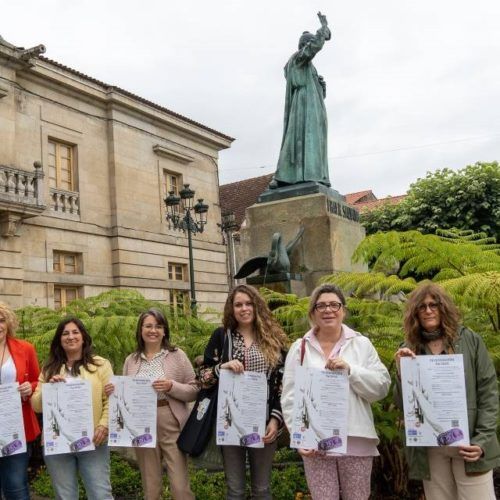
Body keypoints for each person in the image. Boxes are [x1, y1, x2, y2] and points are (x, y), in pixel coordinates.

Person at [281, 284, 390, 500]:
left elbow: (381, 386)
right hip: (315, 440)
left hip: (356, 439)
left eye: (334, 304)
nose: (328, 310)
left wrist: (351, 370)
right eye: (321, 306)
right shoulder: (299, 348)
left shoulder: (362, 344)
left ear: (343, 310)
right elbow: (290, 396)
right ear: (312, 312)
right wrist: (299, 435)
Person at [394, 283, 500, 500]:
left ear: (444, 308)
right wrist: (401, 372)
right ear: (415, 313)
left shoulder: (469, 340)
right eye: (421, 307)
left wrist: (481, 441)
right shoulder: (409, 347)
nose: (428, 310)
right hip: (431, 446)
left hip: (468, 443)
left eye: (434, 304)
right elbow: (403, 405)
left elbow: (489, 393)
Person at [200, 284, 287, 500]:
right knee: (235, 490)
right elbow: (202, 378)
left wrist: (275, 420)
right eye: (238, 304)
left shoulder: (273, 339)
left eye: (249, 303)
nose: (244, 308)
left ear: (257, 307)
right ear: (232, 308)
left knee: (262, 489)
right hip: (230, 423)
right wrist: (222, 368)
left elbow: (283, 384)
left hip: (264, 422)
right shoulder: (221, 337)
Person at [106, 308, 198, 500]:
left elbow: (194, 389)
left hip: (170, 419)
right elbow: (126, 395)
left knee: (180, 485)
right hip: (141, 424)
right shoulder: (131, 360)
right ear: (141, 330)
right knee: (150, 484)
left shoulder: (177, 355)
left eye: (158, 326)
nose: (153, 330)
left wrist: (171, 386)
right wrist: (114, 392)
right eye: (148, 326)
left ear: (165, 331)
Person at [31, 317, 113, 500]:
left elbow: (111, 400)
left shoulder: (100, 365)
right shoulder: (49, 367)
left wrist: (104, 425)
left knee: (100, 494)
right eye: (65, 333)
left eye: (75, 332)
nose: (71, 337)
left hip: (93, 440)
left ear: (83, 337)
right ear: (59, 339)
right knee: (65, 496)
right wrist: (48, 389)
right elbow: (36, 406)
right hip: (57, 443)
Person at [270, 11, 332, 189]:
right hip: (303, 107)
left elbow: (316, 92)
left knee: (313, 141)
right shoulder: (297, 59)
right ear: (304, 45)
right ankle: (292, 175)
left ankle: (314, 174)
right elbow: (314, 47)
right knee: (300, 139)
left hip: (313, 108)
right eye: (310, 43)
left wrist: (321, 87)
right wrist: (324, 28)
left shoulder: (309, 67)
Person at [0, 302, 41, 500]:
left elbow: (37, 380)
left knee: (16, 486)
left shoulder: (25, 348)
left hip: (16, 427)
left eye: (1, 320)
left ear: (8, 323)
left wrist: (29, 387)